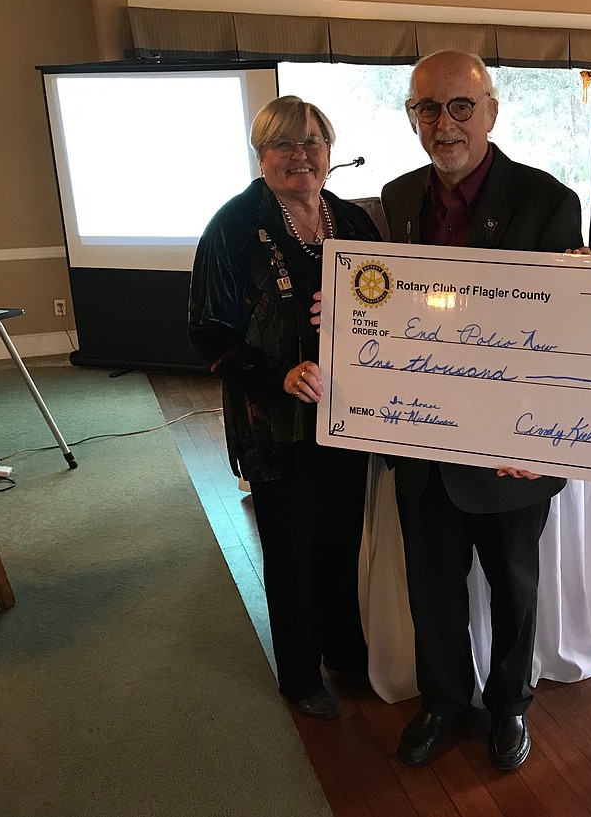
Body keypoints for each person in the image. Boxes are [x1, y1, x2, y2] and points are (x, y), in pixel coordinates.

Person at [382, 49, 583, 771]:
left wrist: (543, 432)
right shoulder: (398, 199)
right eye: (426, 108)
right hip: (424, 441)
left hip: (511, 450)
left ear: (492, 112)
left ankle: (508, 708)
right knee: (432, 589)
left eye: (460, 106)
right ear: (412, 119)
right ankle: (443, 702)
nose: (445, 123)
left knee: (514, 591)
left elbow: (567, 334)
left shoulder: (548, 202)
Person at [189, 96, 381, 720]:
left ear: (330, 151)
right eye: (284, 145)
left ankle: (346, 653)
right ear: (261, 154)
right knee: (291, 547)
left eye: (312, 143)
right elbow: (209, 331)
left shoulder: (354, 221)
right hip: (274, 421)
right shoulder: (233, 227)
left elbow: (391, 310)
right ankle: (301, 674)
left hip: (350, 415)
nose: (300, 156)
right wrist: (278, 374)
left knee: (343, 538)